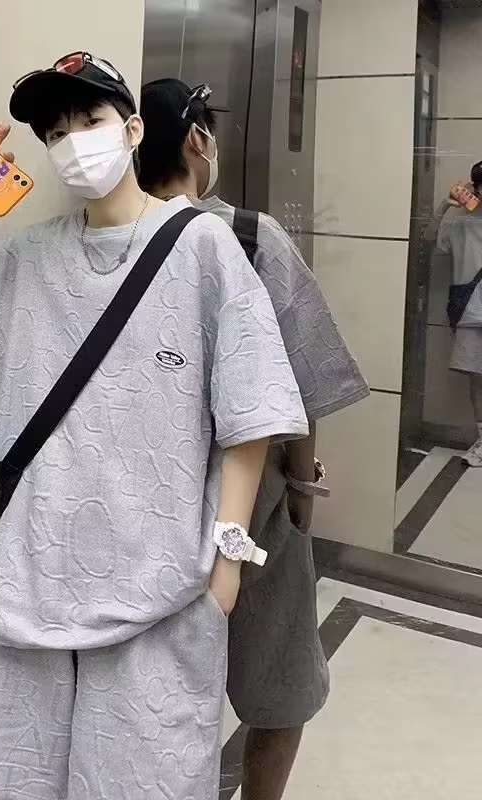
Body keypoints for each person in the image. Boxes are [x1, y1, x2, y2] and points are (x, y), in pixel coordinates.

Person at [0, 53, 309, 799]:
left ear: (133, 129)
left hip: (159, 596)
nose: (74, 142)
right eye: (57, 132)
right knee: (12, 785)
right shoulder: (23, 258)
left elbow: (251, 414)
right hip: (24, 589)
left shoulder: (202, 247)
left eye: (91, 120)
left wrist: (226, 565)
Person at [138, 78, 369, 800]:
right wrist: (301, 483)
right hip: (255, 499)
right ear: (198, 140)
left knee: (151, 692)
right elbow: (301, 381)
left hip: (143, 498)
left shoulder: (106, 240)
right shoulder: (247, 237)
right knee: (280, 679)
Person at [429, 161, 482, 466]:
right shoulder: (461, 226)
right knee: (478, 383)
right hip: (471, 313)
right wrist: (444, 206)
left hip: (471, 312)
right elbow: (427, 241)